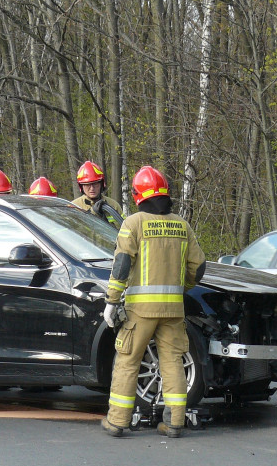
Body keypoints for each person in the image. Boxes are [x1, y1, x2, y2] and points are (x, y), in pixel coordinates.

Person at [101, 166, 205, 438]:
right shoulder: (182, 225)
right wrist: (184, 287)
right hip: (173, 310)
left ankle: (117, 421)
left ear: (138, 195)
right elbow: (199, 265)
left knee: (128, 361)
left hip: (140, 311)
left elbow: (122, 265)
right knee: (172, 362)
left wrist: (112, 301)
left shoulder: (133, 224)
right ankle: (174, 422)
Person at [72, 160, 123, 228]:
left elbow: (124, 230)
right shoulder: (74, 207)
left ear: (101, 184)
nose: (92, 188)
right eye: (87, 185)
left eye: (95, 184)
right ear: (81, 186)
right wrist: (92, 213)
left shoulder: (114, 206)